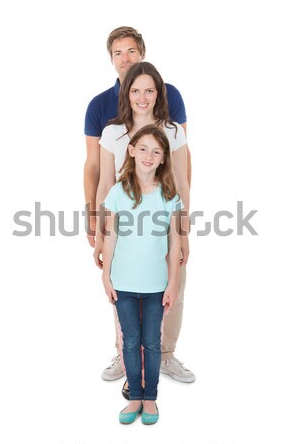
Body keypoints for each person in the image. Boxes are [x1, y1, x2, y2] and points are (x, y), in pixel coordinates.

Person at [83, 26, 194, 387]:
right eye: (135, 91)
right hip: (125, 229)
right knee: (125, 290)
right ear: (125, 94)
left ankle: (165, 355)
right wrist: (100, 232)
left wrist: (184, 231)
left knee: (170, 290)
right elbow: (103, 183)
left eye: (149, 91)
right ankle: (127, 353)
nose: (142, 98)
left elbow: (181, 181)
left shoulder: (173, 130)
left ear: (158, 93)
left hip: (163, 224)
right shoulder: (113, 132)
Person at [102, 124, 187, 424]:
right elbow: (110, 236)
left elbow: (174, 241)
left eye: (156, 151)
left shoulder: (168, 194)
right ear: (131, 151)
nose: (149, 156)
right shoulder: (118, 192)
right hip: (123, 283)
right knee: (129, 341)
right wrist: (106, 277)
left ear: (164, 158)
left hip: (156, 285)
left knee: (152, 342)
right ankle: (134, 396)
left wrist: (173, 283)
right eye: (143, 149)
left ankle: (150, 397)